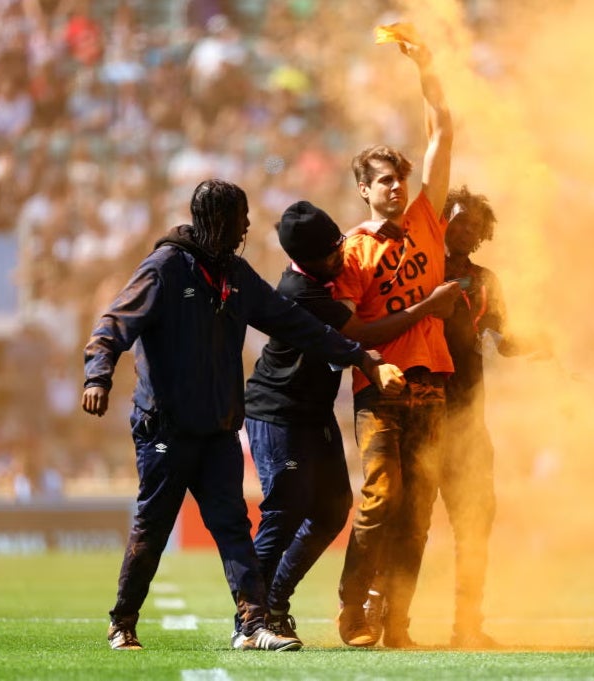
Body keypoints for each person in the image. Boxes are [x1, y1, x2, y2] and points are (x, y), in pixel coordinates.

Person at [82, 179, 402, 653]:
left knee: (233, 527)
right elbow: (113, 325)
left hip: (218, 427)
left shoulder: (234, 274)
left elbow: (295, 323)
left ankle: (252, 624)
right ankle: (122, 622)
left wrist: (360, 356)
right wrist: (98, 375)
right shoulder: (165, 269)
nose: (247, 227)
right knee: (153, 526)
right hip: (166, 427)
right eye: (239, 219)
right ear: (214, 222)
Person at [242, 200, 460, 646]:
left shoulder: (322, 274)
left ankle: (276, 604)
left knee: (332, 511)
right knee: (286, 511)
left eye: (340, 245)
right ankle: (251, 621)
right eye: (331, 254)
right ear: (306, 261)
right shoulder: (302, 293)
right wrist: (427, 307)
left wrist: (370, 229)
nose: (341, 257)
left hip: (313, 412)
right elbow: (357, 336)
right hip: (277, 411)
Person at [333, 27, 454, 648]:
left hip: (432, 384)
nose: (397, 187)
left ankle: (398, 623)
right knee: (380, 501)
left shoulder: (426, 220)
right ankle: (354, 608)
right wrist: (427, 306)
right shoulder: (352, 250)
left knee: (416, 516)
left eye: (400, 179)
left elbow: (442, 134)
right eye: (384, 181)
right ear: (363, 187)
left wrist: (426, 72)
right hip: (380, 386)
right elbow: (352, 330)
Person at [436, 185, 550, 648]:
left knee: (477, 519)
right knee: (407, 524)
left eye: (475, 226)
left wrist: (538, 343)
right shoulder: (418, 268)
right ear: (441, 220)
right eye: (458, 220)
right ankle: (387, 620)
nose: (466, 231)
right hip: (417, 413)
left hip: (468, 420)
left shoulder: (486, 281)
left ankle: (468, 623)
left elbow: (499, 339)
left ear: (484, 236)